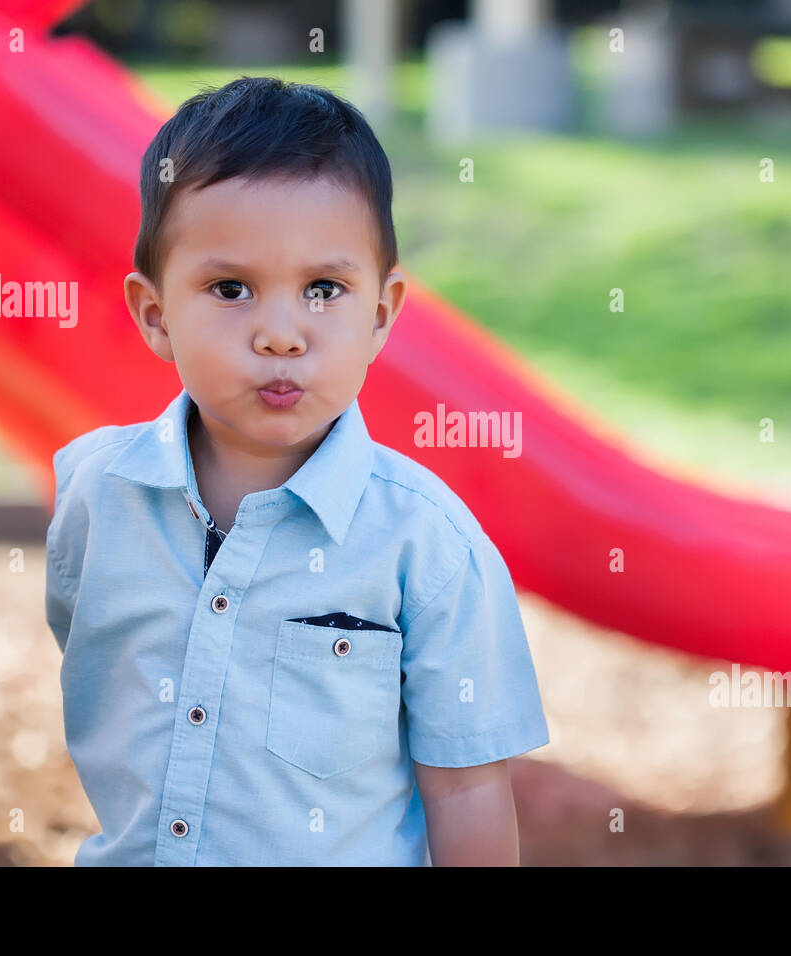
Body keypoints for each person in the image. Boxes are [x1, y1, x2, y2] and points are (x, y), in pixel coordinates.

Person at [44, 76, 549, 865]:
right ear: (155, 314)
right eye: (231, 288)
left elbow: (469, 788)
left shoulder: (426, 544)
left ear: (380, 313)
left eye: (323, 289)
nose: (281, 334)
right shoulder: (94, 496)